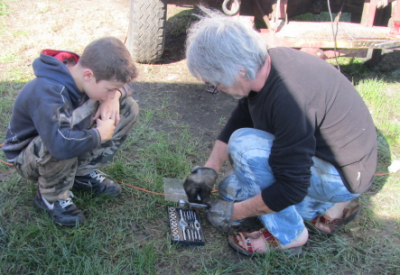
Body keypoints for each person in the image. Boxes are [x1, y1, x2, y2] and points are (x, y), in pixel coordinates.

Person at [183, 8, 377, 256]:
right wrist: (209, 168)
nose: (217, 89)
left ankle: (291, 236)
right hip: (328, 159)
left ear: (239, 70)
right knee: (229, 190)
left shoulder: (289, 99)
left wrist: (233, 213)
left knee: (245, 148)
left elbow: (291, 187)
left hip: (341, 175)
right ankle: (327, 209)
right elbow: (242, 116)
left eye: (216, 83)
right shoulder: (264, 66)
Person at [2, 37, 139, 227]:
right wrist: (99, 135)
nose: (110, 94)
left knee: (126, 107)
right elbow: (59, 145)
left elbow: (124, 86)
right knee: (58, 141)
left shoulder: (85, 75)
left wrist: (115, 96)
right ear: (88, 75)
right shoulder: (50, 93)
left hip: (62, 136)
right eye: (109, 89)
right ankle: (51, 196)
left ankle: (81, 174)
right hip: (30, 156)